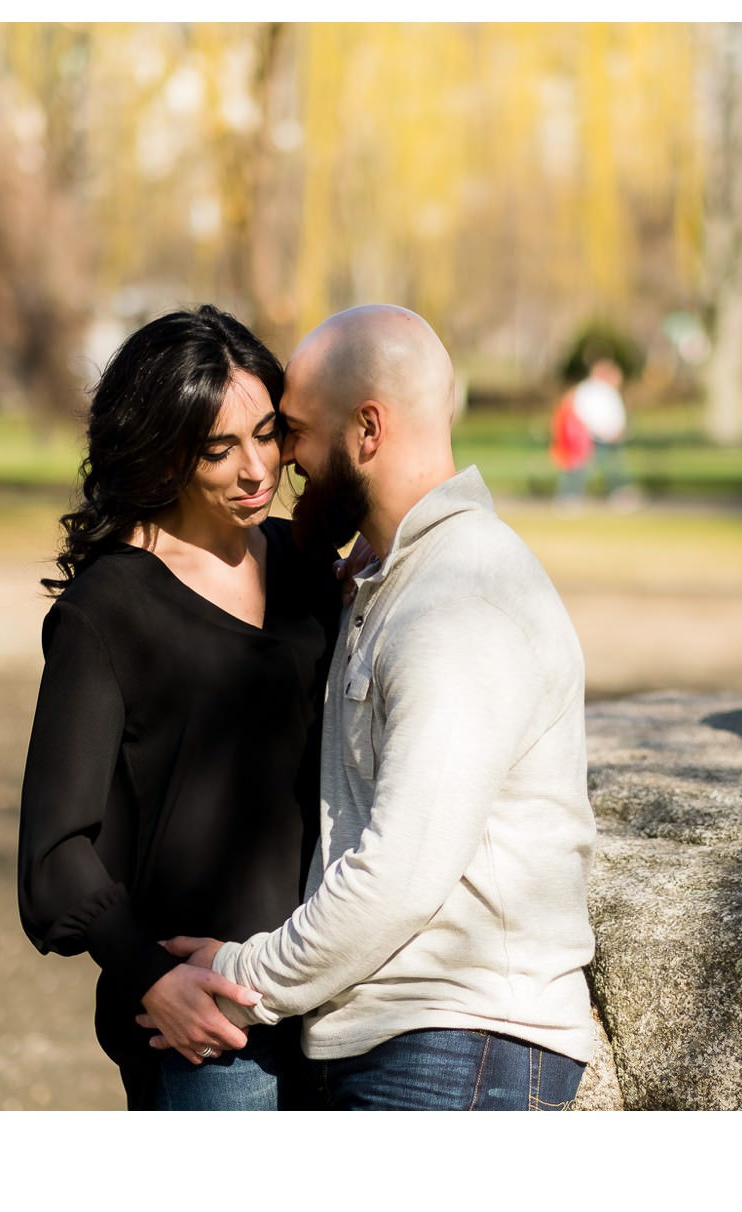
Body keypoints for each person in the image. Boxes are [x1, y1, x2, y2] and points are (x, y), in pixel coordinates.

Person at [144, 304, 597, 1111]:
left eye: (295, 432)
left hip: (457, 1045)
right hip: (404, 1042)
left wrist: (235, 971)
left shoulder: (461, 602)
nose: (283, 461)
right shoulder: (395, 584)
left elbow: (400, 874)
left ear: (368, 431)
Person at [16, 305, 343, 1111]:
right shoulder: (108, 609)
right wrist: (152, 977)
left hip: (336, 1000)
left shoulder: (313, 577)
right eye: (218, 448)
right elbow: (57, 849)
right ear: (164, 452)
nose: (255, 470)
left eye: (267, 435)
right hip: (208, 1029)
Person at [570, 356, 637, 507]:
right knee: (581, 467)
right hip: (593, 436)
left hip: (612, 436)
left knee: (614, 466)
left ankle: (620, 494)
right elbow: (583, 412)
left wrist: (618, 429)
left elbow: (615, 413)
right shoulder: (588, 389)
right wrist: (597, 430)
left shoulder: (608, 390)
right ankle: (571, 495)